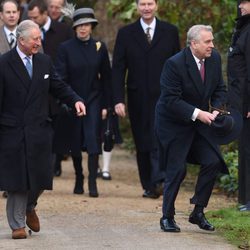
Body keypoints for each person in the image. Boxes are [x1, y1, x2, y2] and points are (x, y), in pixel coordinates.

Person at [0, 19, 85, 239]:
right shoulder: (3, 63)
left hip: (39, 128)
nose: (39, 42)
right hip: (13, 129)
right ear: (21, 40)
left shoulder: (44, 62)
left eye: (39, 38)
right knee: (18, 179)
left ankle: (29, 206)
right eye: (35, 39)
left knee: (40, 175)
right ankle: (17, 225)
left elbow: (57, 86)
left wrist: (75, 99)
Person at [155, 25, 228, 233]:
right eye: (208, 42)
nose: (212, 45)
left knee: (213, 161)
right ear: (193, 44)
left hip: (201, 121)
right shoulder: (174, 64)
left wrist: (215, 110)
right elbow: (170, 100)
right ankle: (167, 217)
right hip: (173, 123)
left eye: (212, 41)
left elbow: (220, 89)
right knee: (177, 169)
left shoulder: (213, 59)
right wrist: (198, 113)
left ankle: (198, 212)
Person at [112, 0, 180, 198]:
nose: (146, 8)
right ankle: (149, 184)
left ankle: (160, 179)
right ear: (137, 6)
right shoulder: (125, 33)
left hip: (165, 96)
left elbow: (178, 65)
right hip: (137, 96)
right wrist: (118, 99)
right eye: (142, 4)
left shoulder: (170, 31)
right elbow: (118, 69)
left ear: (156, 5)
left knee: (161, 136)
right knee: (142, 139)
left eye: (150, 3)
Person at [52, 8, 110, 197]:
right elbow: (60, 76)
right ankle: (79, 177)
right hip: (73, 99)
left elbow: (107, 78)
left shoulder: (99, 47)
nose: (83, 28)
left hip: (94, 99)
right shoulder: (65, 48)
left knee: (93, 139)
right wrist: (67, 99)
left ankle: (93, 181)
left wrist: (105, 105)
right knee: (75, 140)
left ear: (92, 26)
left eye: (86, 25)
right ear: (75, 27)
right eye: (79, 25)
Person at [227, 0, 250, 211]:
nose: (240, 5)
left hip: (247, 104)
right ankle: (246, 199)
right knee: (245, 149)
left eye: (244, 1)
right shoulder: (243, 28)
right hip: (241, 104)